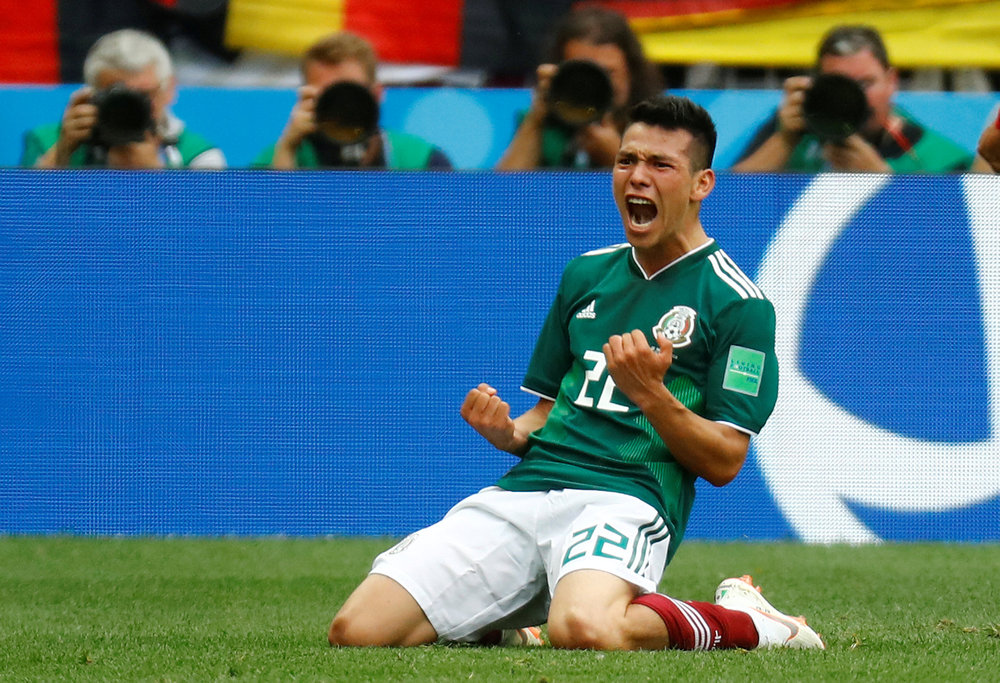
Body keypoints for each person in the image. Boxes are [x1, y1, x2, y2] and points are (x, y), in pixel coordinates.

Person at [329, 95, 825, 652]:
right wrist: (509, 432)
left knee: (584, 629)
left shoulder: (739, 303)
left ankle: (748, 620)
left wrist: (651, 395)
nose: (637, 177)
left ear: (701, 184)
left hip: (627, 496)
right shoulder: (585, 274)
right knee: (358, 632)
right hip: (529, 489)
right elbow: (545, 412)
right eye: (626, 160)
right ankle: (505, 623)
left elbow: (725, 460)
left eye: (660, 165)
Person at [732, 24, 972, 173]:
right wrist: (785, 140)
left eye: (864, 84)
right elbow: (730, 199)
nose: (852, 97)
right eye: (839, 84)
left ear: (892, 81)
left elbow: (953, 231)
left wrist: (881, 181)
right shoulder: (794, 129)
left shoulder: (940, 157)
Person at [21, 29, 225, 170]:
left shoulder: (197, 156)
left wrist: (155, 175)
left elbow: (208, 220)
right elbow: (23, 214)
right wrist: (61, 155)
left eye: (143, 95)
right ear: (90, 95)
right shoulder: (46, 142)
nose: (129, 108)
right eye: (117, 96)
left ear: (169, 88)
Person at [253, 32, 451, 169]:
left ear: (377, 94)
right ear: (305, 99)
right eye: (329, 96)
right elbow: (265, 217)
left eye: (350, 93)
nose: (341, 107)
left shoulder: (422, 162)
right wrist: (286, 153)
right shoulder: (272, 162)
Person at [497, 6, 663, 170]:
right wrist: (536, 119)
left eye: (607, 72)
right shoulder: (542, 125)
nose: (595, 85)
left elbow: (666, 185)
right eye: (585, 73)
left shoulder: (659, 124)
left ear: (632, 72)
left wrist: (616, 157)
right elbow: (506, 186)